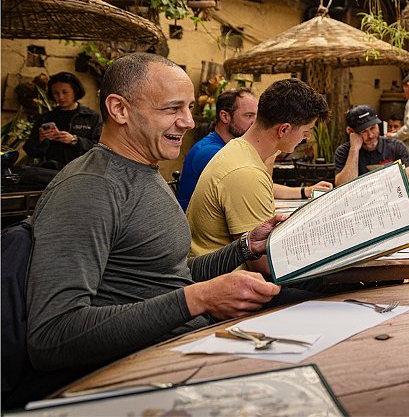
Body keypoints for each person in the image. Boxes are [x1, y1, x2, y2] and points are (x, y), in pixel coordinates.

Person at [26, 53, 284, 396]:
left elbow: (169, 274)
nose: (189, 122)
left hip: (190, 348)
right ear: (120, 110)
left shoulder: (145, 171)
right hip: (146, 377)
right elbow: (52, 335)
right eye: (172, 109)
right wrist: (197, 300)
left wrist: (245, 247)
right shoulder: (90, 188)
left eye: (190, 108)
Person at [186, 78, 329, 267]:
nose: (307, 137)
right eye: (307, 130)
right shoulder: (246, 172)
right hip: (230, 284)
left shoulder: (239, 150)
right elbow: (264, 265)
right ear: (284, 129)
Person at [175, 89, 329, 211]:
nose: (255, 122)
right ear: (224, 116)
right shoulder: (212, 152)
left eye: (257, 115)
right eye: (248, 115)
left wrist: (305, 191)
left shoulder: (235, 150)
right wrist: (271, 153)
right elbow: (257, 188)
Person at [23, 72, 102, 170]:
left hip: (80, 172)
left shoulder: (91, 117)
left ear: (75, 91)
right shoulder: (45, 118)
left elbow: (101, 149)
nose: (60, 97)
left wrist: (74, 140)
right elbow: (30, 151)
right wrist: (40, 139)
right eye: (56, 93)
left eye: (65, 92)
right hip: (50, 174)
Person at [332, 104, 409, 191]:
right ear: (352, 132)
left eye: (373, 128)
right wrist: (354, 150)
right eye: (364, 131)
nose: (370, 135)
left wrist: (399, 190)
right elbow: (343, 187)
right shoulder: (343, 151)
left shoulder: (396, 146)